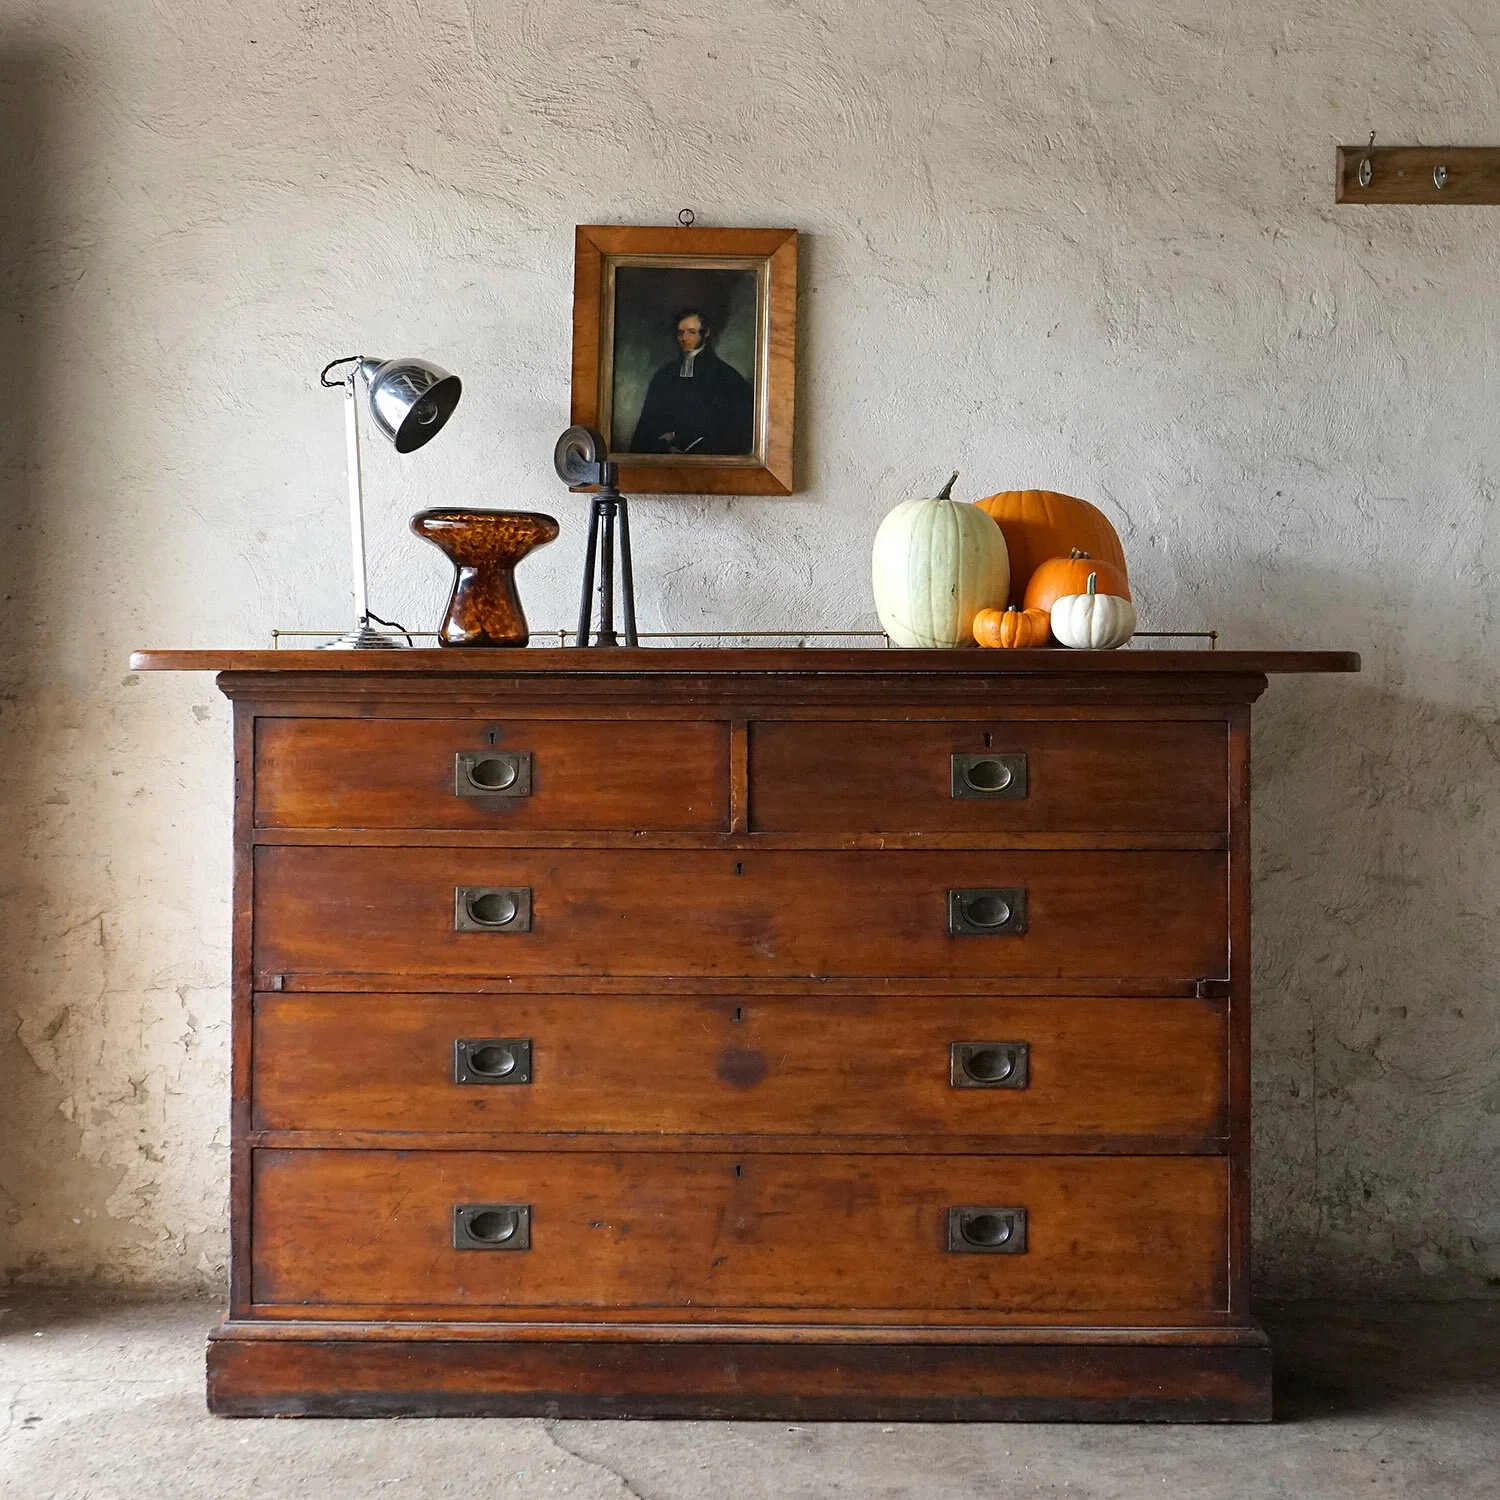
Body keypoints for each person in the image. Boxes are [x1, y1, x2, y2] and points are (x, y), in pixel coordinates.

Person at [627, 309, 754, 455]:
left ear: (705, 333)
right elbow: (647, 426)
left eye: (691, 332)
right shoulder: (664, 375)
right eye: (680, 333)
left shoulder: (726, 376)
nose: (684, 338)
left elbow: (735, 431)